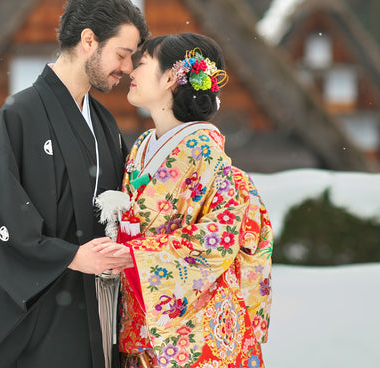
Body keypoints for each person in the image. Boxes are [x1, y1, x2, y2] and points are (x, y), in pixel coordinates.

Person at [0, 0, 150, 368]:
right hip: (46, 314)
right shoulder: (21, 115)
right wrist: (72, 256)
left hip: (100, 307)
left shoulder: (105, 124)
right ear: (89, 40)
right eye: (122, 54)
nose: (127, 68)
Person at [99, 33, 273, 368]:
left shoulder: (208, 155)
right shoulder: (141, 147)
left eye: (143, 62)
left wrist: (136, 254)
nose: (131, 70)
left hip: (192, 334)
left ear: (170, 78)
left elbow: (218, 241)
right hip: (142, 327)